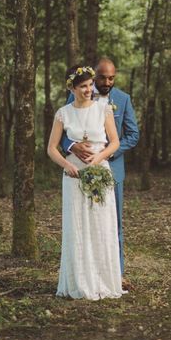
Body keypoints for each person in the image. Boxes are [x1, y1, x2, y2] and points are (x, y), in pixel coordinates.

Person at [61, 58, 139, 291]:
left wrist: (105, 155)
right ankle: (86, 274)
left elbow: (132, 135)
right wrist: (71, 146)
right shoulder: (79, 93)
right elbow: (64, 129)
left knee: (112, 224)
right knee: (84, 222)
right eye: (103, 77)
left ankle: (117, 274)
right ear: (95, 76)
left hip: (110, 170)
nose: (107, 82)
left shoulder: (123, 99)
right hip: (80, 169)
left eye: (111, 78)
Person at [47, 65, 123, 300]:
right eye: (83, 86)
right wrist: (67, 165)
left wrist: (98, 160)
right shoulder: (63, 113)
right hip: (74, 176)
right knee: (78, 223)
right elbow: (51, 148)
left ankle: (103, 281)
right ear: (72, 88)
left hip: (99, 170)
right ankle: (79, 281)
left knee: (100, 223)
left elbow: (114, 142)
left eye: (90, 85)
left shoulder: (104, 109)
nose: (89, 90)